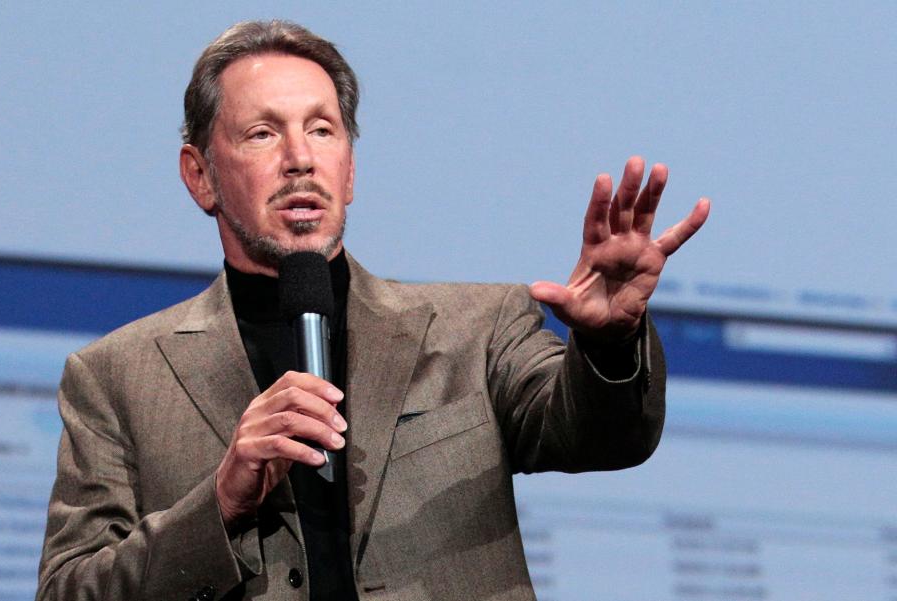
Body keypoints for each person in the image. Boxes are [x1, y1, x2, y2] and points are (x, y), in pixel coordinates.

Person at [36, 20, 709, 601]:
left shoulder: (475, 329)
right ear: (200, 175)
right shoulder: (116, 378)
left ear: (350, 169)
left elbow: (603, 436)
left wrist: (610, 344)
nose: (300, 159)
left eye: (322, 130)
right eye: (264, 134)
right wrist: (220, 499)